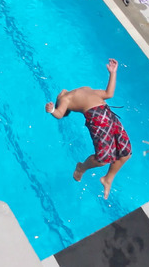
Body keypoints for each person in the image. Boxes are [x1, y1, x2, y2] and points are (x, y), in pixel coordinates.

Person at [45, 58, 131, 199]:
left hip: (110, 116)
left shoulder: (86, 89)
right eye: (58, 98)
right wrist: (52, 109)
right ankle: (81, 168)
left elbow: (109, 94)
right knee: (102, 159)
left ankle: (107, 179)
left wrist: (113, 73)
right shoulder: (66, 100)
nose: (60, 93)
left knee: (126, 153)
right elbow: (60, 114)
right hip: (98, 120)